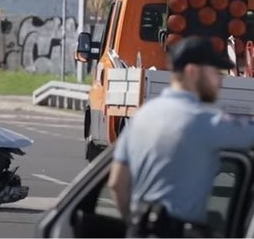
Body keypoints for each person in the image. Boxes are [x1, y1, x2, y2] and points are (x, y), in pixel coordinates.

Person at [108, 36, 254, 237]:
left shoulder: (141, 117)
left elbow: (116, 183)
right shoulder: (204, 122)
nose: (220, 81)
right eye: (215, 73)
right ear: (192, 72)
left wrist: (134, 224)